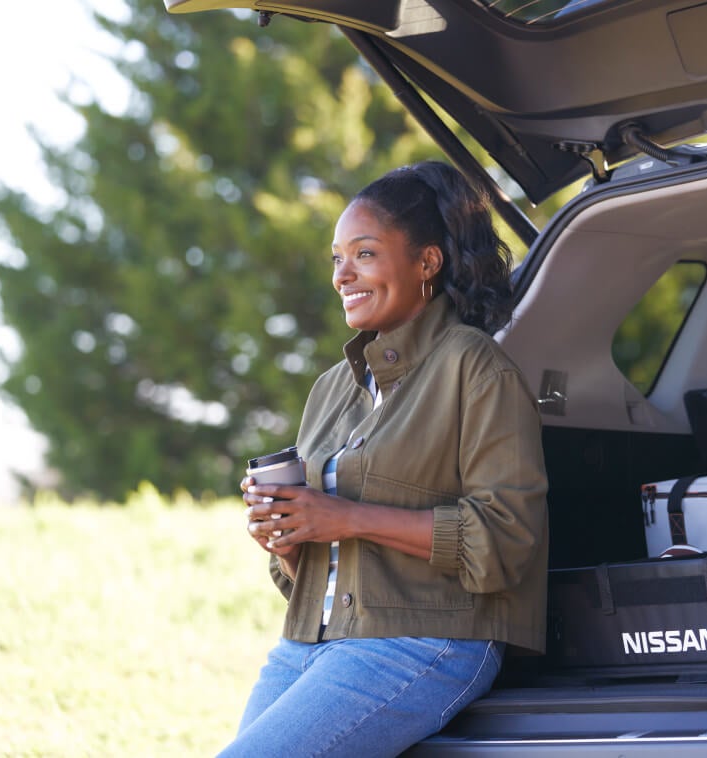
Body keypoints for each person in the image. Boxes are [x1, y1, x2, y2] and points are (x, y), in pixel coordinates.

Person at [217, 161, 549, 758]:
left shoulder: (475, 368)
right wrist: (289, 538)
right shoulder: (331, 389)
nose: (343, 274)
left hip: (433, 640)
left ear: (427, 262)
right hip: (312, 641)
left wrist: (346, 518)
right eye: (337, 258)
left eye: (364, 254)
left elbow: (507, 541)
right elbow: (321, 571)